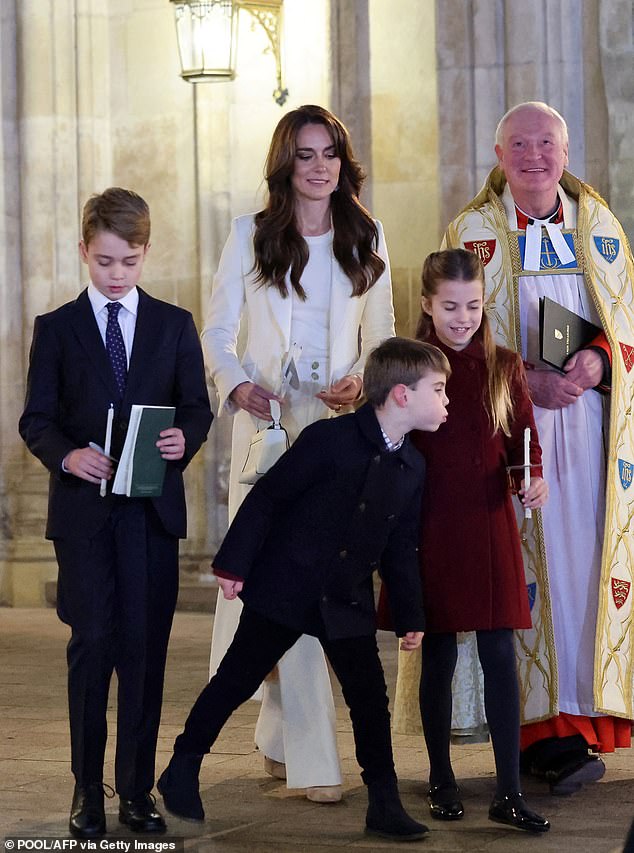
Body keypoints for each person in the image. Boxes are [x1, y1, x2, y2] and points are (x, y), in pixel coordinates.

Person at [157, 337, 450, 842]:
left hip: (345, 595)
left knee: (368, 699)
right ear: (402, 395)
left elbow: (402, 548)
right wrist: (233, 564)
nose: (447, 401)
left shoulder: (412, 467)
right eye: (439, 390)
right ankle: (181, 766)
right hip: (286, 585)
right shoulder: (328, 440)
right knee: (236, 678)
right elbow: (269, 498)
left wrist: (411, 616)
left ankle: (383, 802)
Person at [201, 104, 395, 802]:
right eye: (306, 154)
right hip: (269, 427)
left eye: (330, 153)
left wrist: (365, 382)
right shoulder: (250, 235)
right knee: (274, 584)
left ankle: (292, 743)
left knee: (316, 583)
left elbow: (386, 334)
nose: (319, 167)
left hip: (337, 431)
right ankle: (308, 754)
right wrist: (240, 384)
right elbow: (217, 329)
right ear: (287, 164)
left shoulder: (366, 234)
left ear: (344, 162)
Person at [441, 101, 634, 794]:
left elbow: (628, 328)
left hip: (592, 437)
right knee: (528, 571)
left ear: (566, 148)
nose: (533, 156)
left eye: (546, 143)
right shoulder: (471, 233)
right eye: (519, 144)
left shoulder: (600, 227)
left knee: (586, 569)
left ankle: (585, 720)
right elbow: (453, 340)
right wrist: (525, 378)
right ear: (498, 154)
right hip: (510, 435)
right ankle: (535, 731)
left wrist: (601, 363)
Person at [19, 188, 213, 839]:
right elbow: (35, 419)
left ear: (145, 253)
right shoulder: (56, 328)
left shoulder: (173, 324)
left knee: (143, 654)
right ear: (84, 250)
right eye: (104, 261)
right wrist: (69, 455)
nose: (116, 274)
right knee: (92, 646)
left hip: (150, 513)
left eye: (128, 261)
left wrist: (185, 438)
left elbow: (196, 408)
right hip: (83, 516)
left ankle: (136, 790)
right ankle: (86, 790)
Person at [384, 249, 550, 832]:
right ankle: (441, 778)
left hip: (488, 523)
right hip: (430, 524)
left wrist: (531, 480)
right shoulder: (407, 367)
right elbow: (390, 445)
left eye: (473, 306)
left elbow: (521, 439)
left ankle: (508, 790)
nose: (463, 318)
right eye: (450, 306)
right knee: (440, 651)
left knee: (500, 652)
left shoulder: (503, 364)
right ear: (427, 304)